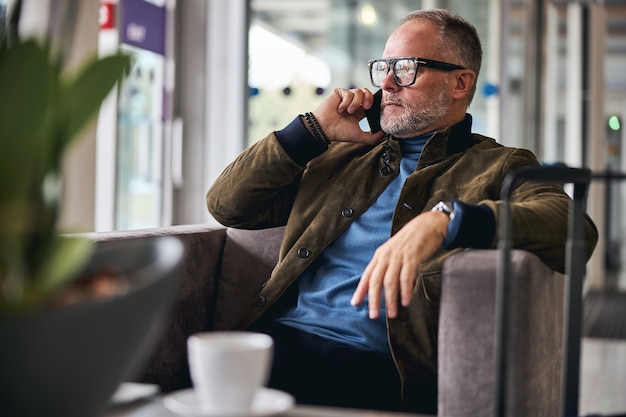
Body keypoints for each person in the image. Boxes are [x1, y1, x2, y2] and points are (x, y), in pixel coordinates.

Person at [206, 8, 598, 414]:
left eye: (407, 69)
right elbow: (227, 206)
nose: (388, 83)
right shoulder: (340, 155)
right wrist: (311, 130)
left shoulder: (498, 164)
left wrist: (445, 220)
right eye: (384, 67)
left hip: (374, 364)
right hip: (277, 340)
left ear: (461, 82)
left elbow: (575, 230)